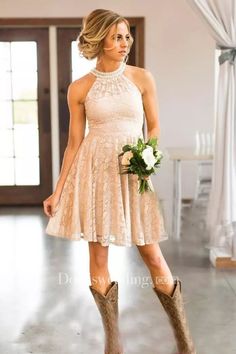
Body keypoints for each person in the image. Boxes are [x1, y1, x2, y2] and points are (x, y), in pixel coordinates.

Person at [43, 8, 196, 354]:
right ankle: (114, 345)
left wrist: (148, 155)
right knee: (98, 259)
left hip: (133, 173)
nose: (124, 43)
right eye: (117, 37)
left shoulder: (142, 78)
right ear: (99, 39)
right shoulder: (80, 88)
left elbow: (153, 127)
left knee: (154, 256)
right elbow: (73, 144)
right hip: (94, 176)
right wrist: (59, 189)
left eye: (127, 36)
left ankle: (186, 344)